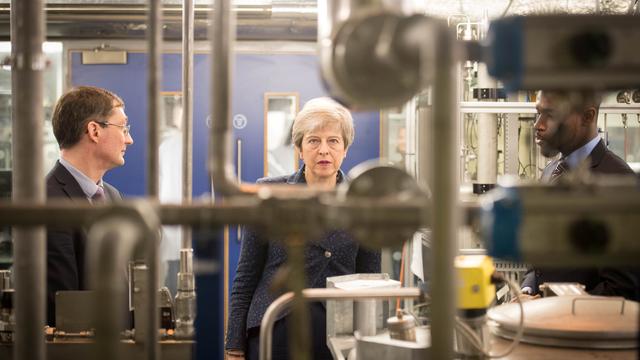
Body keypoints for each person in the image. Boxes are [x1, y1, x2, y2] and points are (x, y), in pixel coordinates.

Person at [225, 97, 381, 360]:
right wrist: (234, 345)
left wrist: (372, 343)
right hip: (276, 325)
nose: (323, 151)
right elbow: (245, 277)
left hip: (338, 333)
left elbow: (370, 281)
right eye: (313, 141)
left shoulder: (363, 202)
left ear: (345, 149)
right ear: (299, 148)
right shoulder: (270, 193)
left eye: (333, 141)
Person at [520, 90, 639, 301]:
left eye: (552, 114)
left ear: (588, 116)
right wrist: (528, 290)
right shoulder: (552, 170)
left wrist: (550, 306)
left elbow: (622, 288)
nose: (539, 124)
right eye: (538, 113)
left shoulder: (618, 182)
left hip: (583, 330)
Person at [46, 86, 134, 325]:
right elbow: (62, 305)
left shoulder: (112, 196)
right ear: (94, 130)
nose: (129, 138)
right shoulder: (47, 202)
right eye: (123, 127)